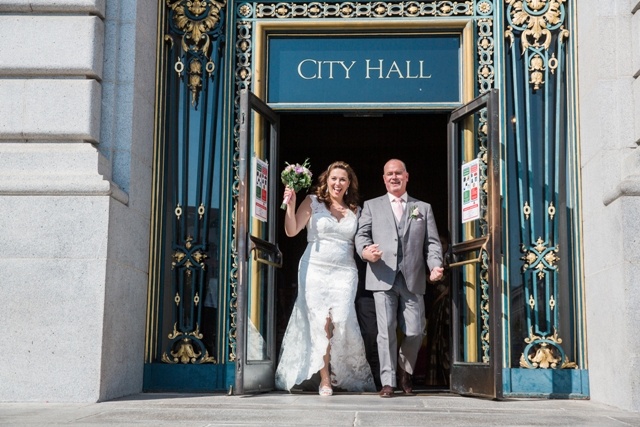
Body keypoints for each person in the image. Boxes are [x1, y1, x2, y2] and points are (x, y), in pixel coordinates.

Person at [275, 161, 376, 396]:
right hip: (314, 269)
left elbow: (361, 240)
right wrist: (290, 206)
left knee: (339, 321)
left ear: (349, 183)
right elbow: (292, 230)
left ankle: (341, 372)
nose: (337, 183)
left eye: (342, 179)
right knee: (323, 322)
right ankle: (325, 379)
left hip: (345, 271)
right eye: (334, 179)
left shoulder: (356, 210)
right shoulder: (313, 202)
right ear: (326, 180)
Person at [355, 159, 444, 398]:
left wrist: (435, 265)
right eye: (389, 174)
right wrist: (365, 252)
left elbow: (432, 243)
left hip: (413, 277)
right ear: (384, 179)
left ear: (407, 176)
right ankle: (388, 381)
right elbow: (361, 235)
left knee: (416, 331)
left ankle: (405, 369)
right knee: (385, 330)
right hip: (382, 275)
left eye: (398, 173)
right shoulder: (371, 206)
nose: (394, 177)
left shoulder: (422, 208)